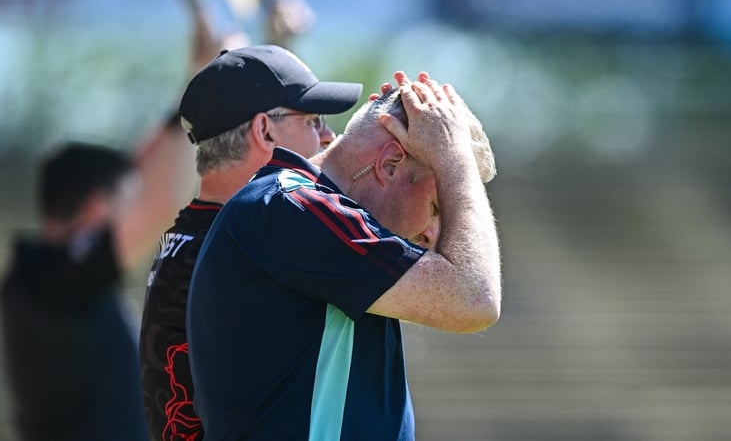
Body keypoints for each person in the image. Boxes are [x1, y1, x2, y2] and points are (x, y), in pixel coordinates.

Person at [186, 71, 501, 440]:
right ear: (389, 164)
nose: (434, 235)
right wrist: (454, 157)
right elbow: (474, 298)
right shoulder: (289, 206)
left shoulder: (330, 226)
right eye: (435, 208)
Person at [139, 44, 362, 441]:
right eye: (313, 120)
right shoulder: (259, 242)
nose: (329, 135)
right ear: (264, 131)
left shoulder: (190, 235)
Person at [0, 131, 195, 441]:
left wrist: (176, 119)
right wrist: (197, 117)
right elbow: (164, 202)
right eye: (128, 205)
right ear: (97, 209)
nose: (134, 214)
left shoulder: (41, 276)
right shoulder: (50, 283)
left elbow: (134, 173)